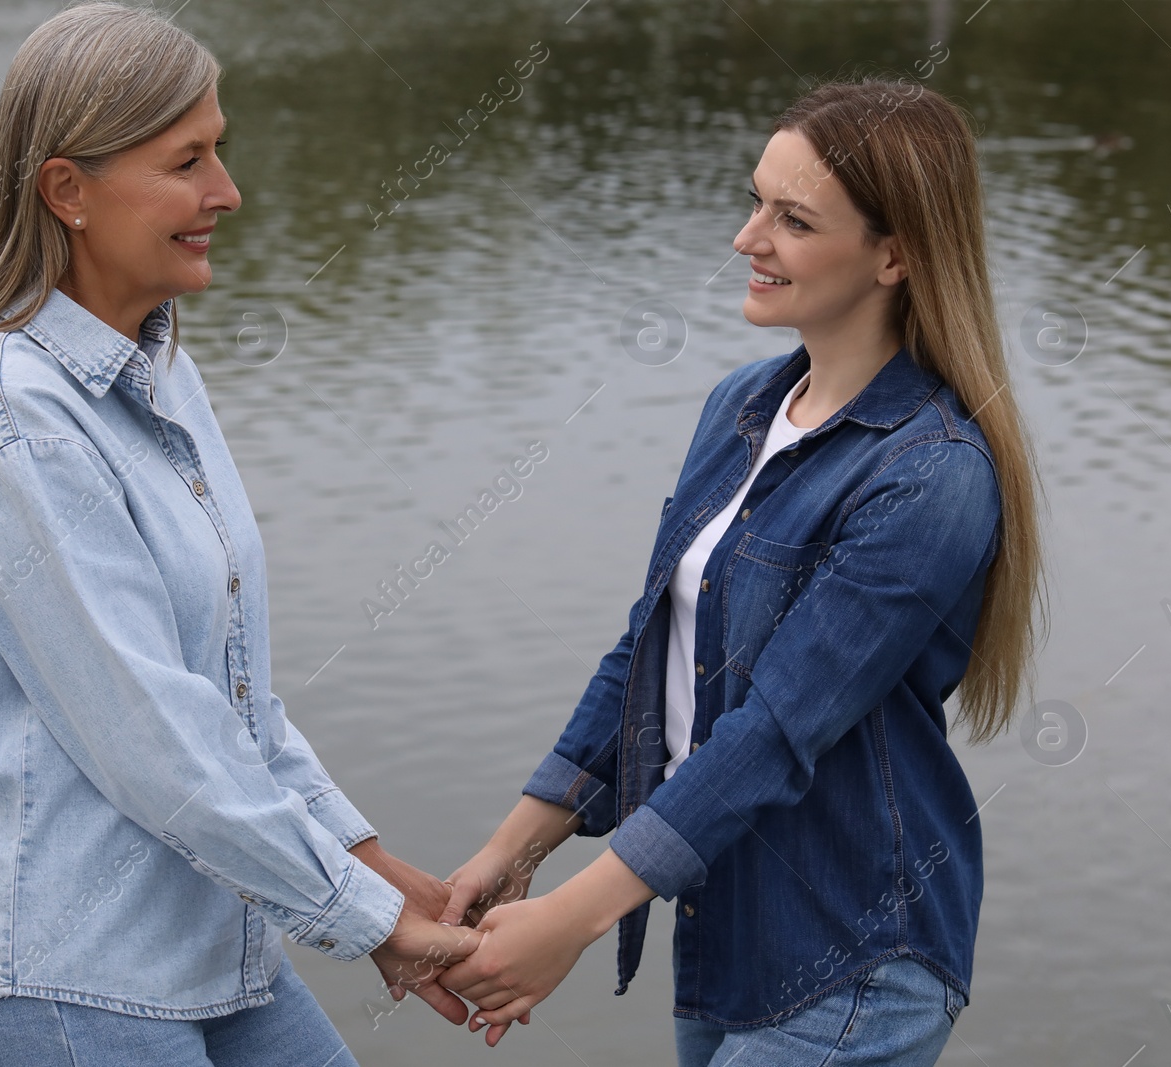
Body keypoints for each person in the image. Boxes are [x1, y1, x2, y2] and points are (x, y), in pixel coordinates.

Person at [0, 5, 471, 1065]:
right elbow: (149, 731)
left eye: (221, 151)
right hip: (64, 973)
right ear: (67, 190)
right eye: (186, 161)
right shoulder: (6, 408)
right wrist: (363, 917)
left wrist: (369, 859)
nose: (227, 192)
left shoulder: (160, 371)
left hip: (217, 948)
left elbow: (226, 697)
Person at [439, 76, 1046, 1066]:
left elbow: (772, 730)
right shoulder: (740, 406)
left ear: (894, 255)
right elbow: (649, 652)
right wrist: (507, 856)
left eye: (791, 218)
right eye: (755, 198)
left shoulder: (931, 473)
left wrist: (569, 922)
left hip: (853, 960)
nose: (745, 237)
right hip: (724, 939)